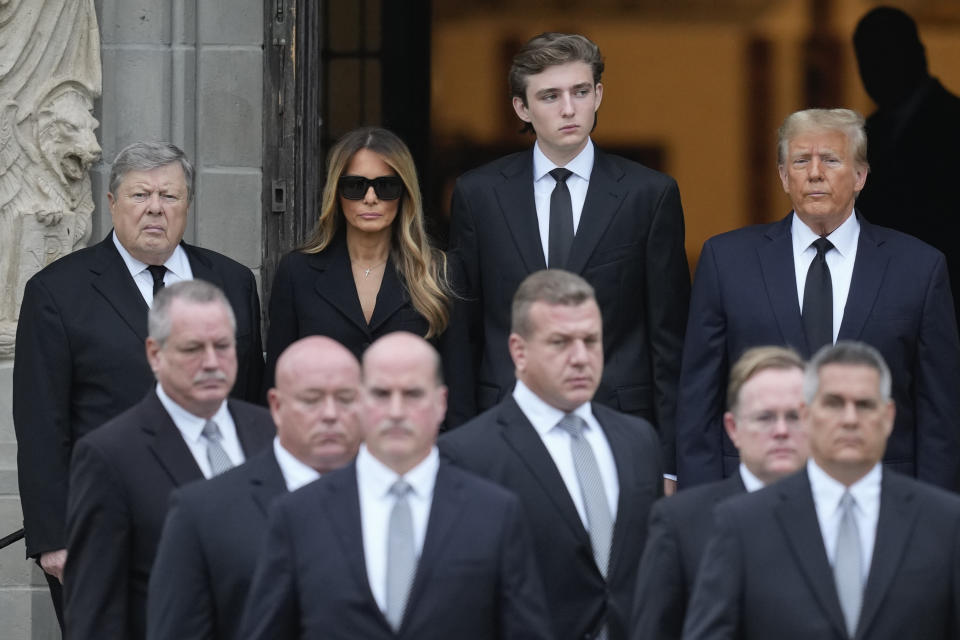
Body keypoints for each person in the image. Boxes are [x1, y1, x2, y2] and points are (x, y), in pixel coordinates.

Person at [12, 140, 264, 624]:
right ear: (112, 203)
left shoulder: (232, 282)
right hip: (105, 533)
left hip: (221, 526)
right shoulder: (57, 291)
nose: (154, 208)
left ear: (187, 204)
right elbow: (42, 422)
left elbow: (248, 399)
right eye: (139, 195)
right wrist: (54, 537)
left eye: (169, 196)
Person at [447, 32, 689, 488]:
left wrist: (669, 463)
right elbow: (464, 333)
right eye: (550, 96)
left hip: (617, 423)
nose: (568, 108)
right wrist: (460, 446)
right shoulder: (478, 194)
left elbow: (668, 341)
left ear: (598, 94)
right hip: (503, 422)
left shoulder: (649, 195)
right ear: (521, 107)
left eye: (580, 92)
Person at [676, 108, 960, 490]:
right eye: (800, 160)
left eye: (830, 159)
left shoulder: (919, 269)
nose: (814, 173)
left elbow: (939, 414)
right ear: (783, 176)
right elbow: (699, 401)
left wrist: (931, 519)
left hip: (879, 496)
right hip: (753, 500)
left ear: (860, 175)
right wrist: (704, 510)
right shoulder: (726, 262)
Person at [239, 332, 552, 640]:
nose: (397, 411)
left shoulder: (494, 514)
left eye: (413, 394)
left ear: (441, 403)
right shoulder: (298, 515)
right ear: (359, 401)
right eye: (381, 394)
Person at [440, 269, 664, 640]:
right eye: (560, 342)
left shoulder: (639, 442)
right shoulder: (466, 455)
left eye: (591, 340)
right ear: (518, 351)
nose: (580, 358)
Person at [684, 341, 960, 640]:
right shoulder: (743, 523)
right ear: (806, 415)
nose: (850, 419)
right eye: (834, 403)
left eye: (865, 404)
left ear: (889, 416)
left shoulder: (944, 522)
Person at [63, 281, 275, 640]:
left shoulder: (272, 432)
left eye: (223, 346)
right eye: (193, 348)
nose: (212, 362)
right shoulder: (109, 456)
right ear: (155, 354)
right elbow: (95, 613)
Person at [147, 336, 363, 640]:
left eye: (345, 398)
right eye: (312, 399)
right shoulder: (201, 514)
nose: (330, 413)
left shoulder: (410, 500)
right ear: (276, 406)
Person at [631, 346, 809, 640]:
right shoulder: (681, 524)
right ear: (733, 428)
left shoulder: (845, 516)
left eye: (794, 417)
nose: (781, 430)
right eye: (764, 417)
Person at [265, 126, 451, 390]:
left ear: (404, 194)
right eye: (355, 186)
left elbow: (455, 389)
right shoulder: (298, 272)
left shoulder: (436, 274)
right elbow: (277, 382)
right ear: (336, 193)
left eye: (386, 186)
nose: (371, 198)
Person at [853, 7, 960, 323]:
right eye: (866, 59)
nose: (874, 70)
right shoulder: (864, 136)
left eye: (884, 54)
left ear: (916, 53)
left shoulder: (953, 125)